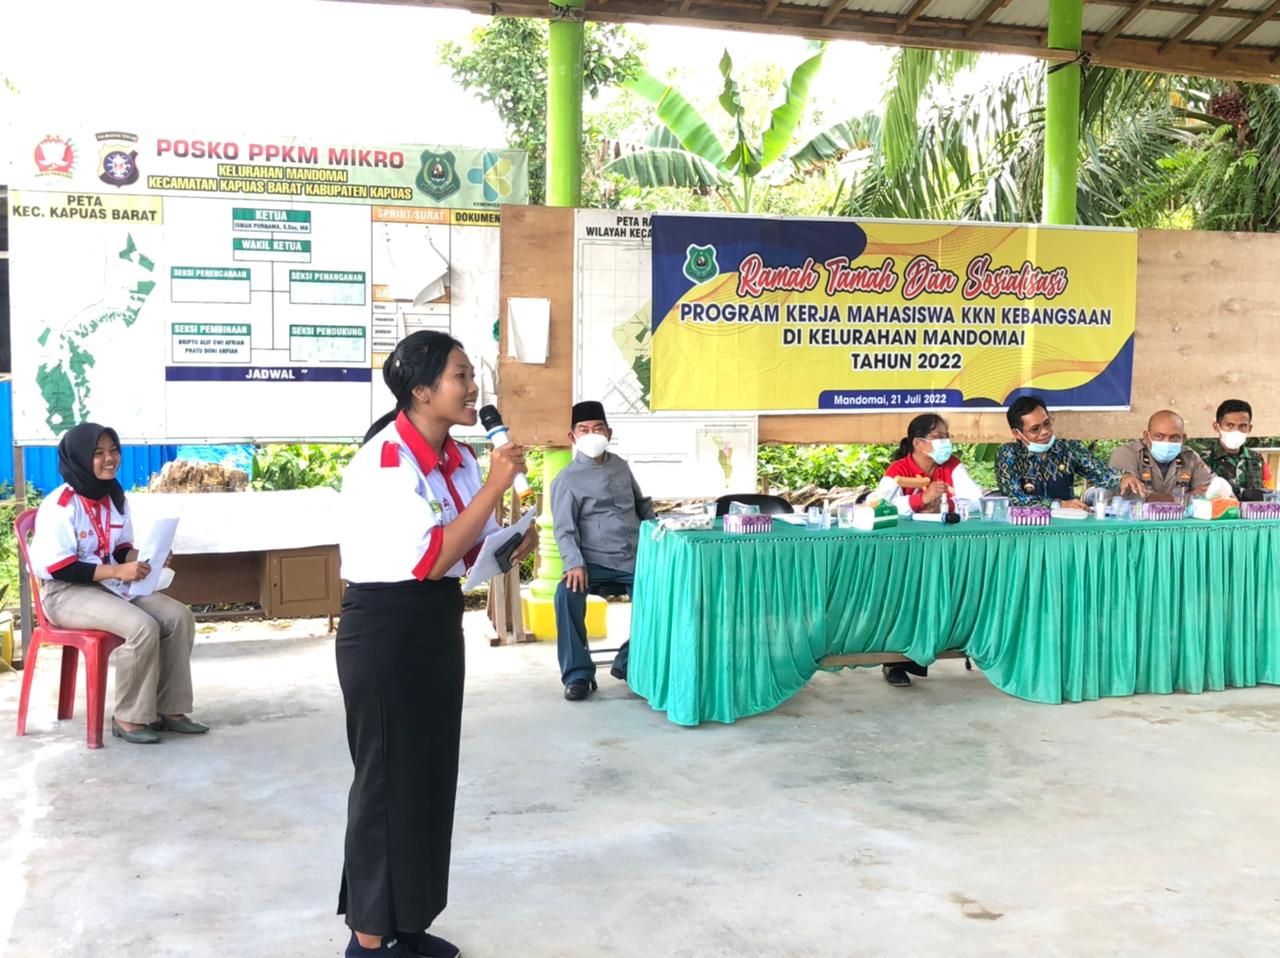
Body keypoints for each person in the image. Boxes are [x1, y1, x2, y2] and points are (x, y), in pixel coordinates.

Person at [335, 331, 536, 958]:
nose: (474, 388)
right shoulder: (385, 461)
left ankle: (409, 920)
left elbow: (468, 552)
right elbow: (429, 558)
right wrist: (495, 489)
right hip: (386, 630)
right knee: (386, 783)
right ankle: (369, 940)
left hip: (436, 625)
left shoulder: (460, 459)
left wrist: (512, 542)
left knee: (428, 776)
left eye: (471, 375)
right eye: (460, 376)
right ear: (421, 391)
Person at [28, 422, 204, 745]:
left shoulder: (114, 497)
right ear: (81, 458)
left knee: (179, 617)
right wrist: (118, 571)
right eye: (98, 453)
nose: (109, 459)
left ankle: (170, 709)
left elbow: (120, 548)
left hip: (108, 584)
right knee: (141, 627)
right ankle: (128, 717)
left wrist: (146, 557)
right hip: (64, 592)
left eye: (113, 450)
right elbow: (61, 567)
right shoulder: (60, 505)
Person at [551, 400, 655, 702]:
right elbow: (564, 529)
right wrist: (574, 563)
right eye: (583, 430)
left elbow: (641, 505)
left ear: (609, 433)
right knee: (565, 595)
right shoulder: (566, 480)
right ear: (572, 437)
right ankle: (578, 675)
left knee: (665, 596)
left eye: (598, 428)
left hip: (634, 558)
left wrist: (657, 535)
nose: (591, 434)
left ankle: (627, 661)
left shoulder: (620, 465)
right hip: (592, 562)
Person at [871, 413, 983, 687]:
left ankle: (945, 642)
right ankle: (895, 661)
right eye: (938, 437)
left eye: (947, 436)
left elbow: (976, 500)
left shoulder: (952, 465)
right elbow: (878, 506)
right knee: (906, 600)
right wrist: (921, 499)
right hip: (905, 551)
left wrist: (946, 503)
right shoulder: (899, 469)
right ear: (918, 443)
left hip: (945, 547)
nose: (946, 442)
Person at [996, 394, 1144, 506]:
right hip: (1026, 528)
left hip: (1066, 526)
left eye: (1047, 424)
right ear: (1017, 433)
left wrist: (1122, 478)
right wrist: (1058, 505)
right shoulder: (1009, 453)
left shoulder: (1068, 448)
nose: (1045, 432)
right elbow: (1014, 498)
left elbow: (1100, 472)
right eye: (1035, 429)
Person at [1108, 409, 1211, 502]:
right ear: (1147, 436)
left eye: (1174, 437)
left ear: (1183, 439)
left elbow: (1208, 494)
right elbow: (1129, 496)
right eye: (1159, 436)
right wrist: (1184, 499)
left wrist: (1151, 498)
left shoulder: (1190, 458)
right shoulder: (1127, 454)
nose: (1167, 442)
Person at [1196, 399, 1273, 498]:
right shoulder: (1201, 460)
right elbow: (1195, 497)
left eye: (1242, 426)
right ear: (1216, 427)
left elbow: (1270, 496)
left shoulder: (1258, 460)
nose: (1236, 430)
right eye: (1230, 425)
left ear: (1249, 428)